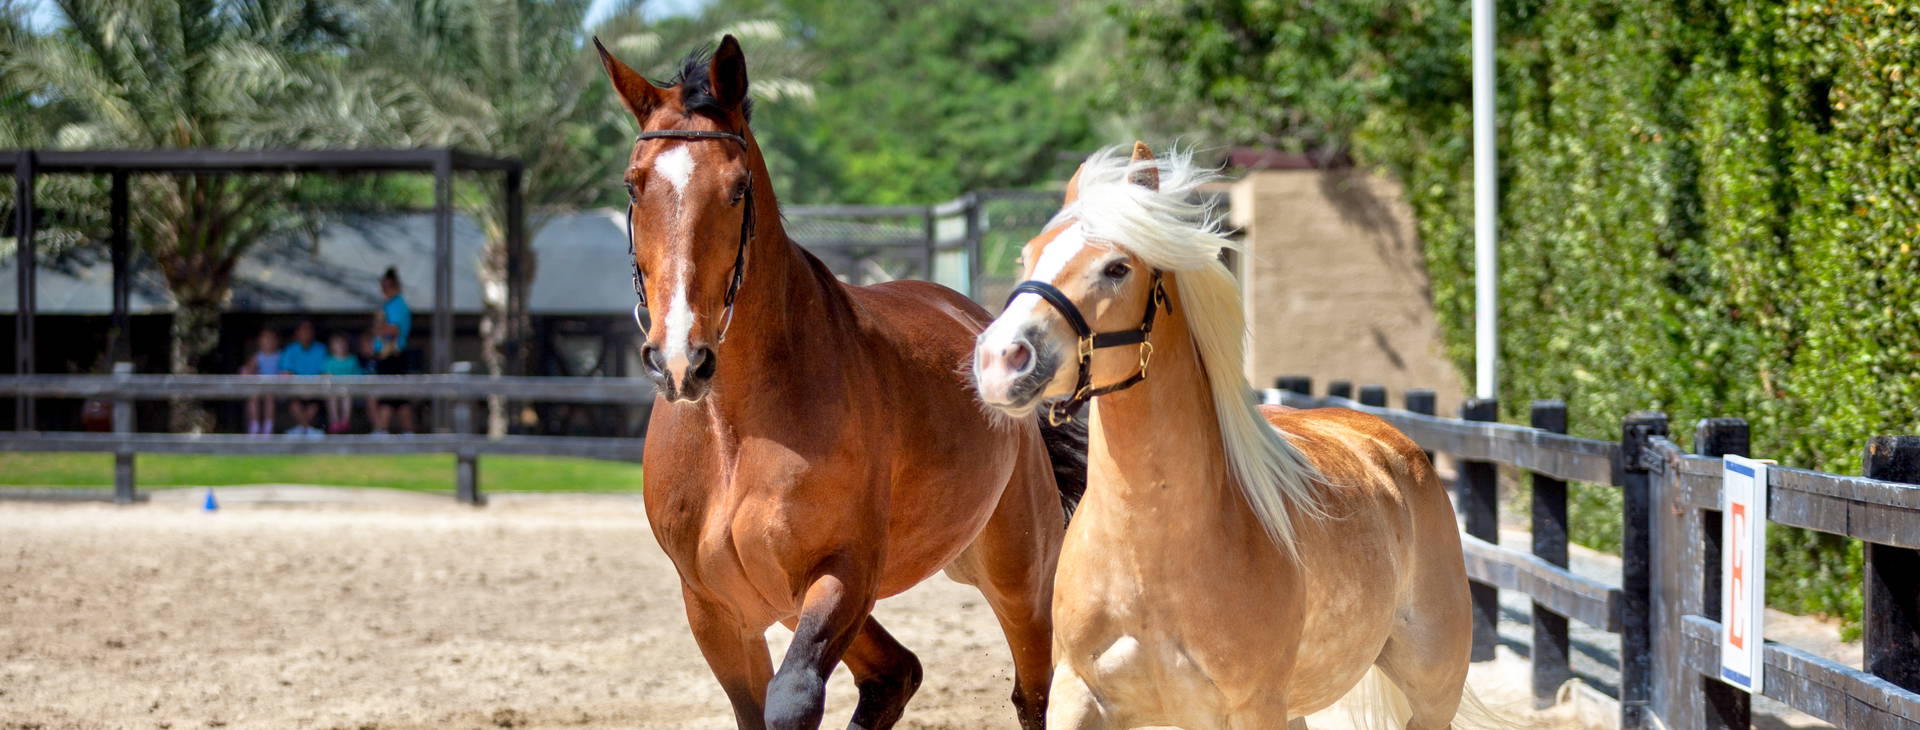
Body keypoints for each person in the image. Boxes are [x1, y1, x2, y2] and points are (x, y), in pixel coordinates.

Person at [366, 267, 415, 435]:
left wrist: (377, 328)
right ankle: (399, 431)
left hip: (393, 357)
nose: (382, 291)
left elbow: (393, 330)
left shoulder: (398, 305)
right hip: (385, 357)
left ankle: (382, 430)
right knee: (397, 400)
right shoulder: (388, 304)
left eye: (385, 287)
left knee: (390, 397)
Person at [280, 320, 329, 437]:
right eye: (303, 330)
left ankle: (301, 429)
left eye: (309, 330)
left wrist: (312, 388)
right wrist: (300, 388)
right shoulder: (290, 349)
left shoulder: (321, 349)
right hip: (296, 388)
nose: (306, 333)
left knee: (315, 403)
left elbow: (324, 372)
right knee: (294, 402)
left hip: (316, 388)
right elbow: (287, 372)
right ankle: (308, 430)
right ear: (297, 333)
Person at [240, 328, 285, 436]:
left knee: (269, 396)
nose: (268, 341)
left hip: (276, 389)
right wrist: (246, 371)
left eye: (271, 339)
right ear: (260, 341)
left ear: (276, 341)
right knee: (253, 396)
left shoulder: (281, 356)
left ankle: (268, 427)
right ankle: (255, 425)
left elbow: (285, 371)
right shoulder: (257, 356)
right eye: (265, 339)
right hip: (260, 388)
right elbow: (248, 369)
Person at [322, 331, 364, 434]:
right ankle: (334, 422)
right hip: (333, 390)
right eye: (337, 343)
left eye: (342, 343)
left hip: (349, 390)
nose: (340, 345)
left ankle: (345, 421)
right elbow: (326, 376)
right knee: (332, 396)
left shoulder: (352, 360)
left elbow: (358, 376)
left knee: (346, 395)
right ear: (331, 346)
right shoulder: (329, 361)